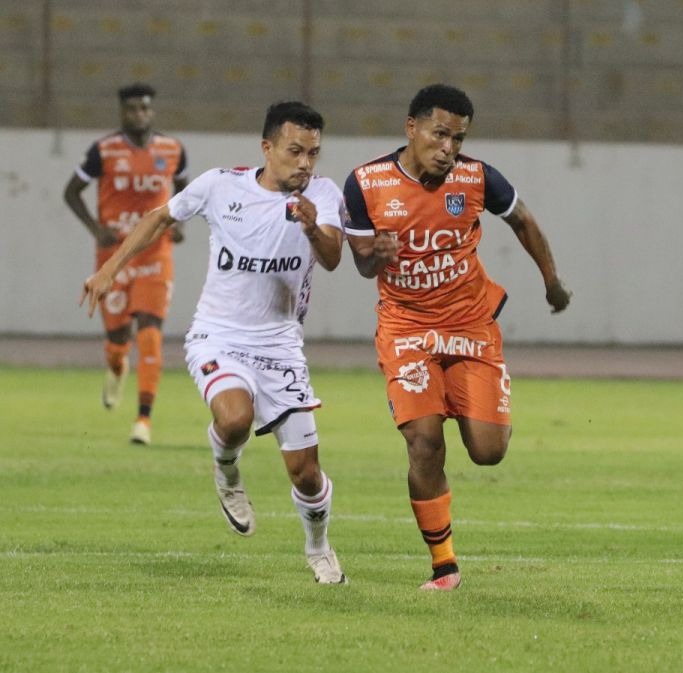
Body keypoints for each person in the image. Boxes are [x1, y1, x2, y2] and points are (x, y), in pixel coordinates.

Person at [81, 101, 349, 584]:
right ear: (267, 148)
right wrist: (109, 269)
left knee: (306, 473)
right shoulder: (220, 185)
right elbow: (159, 218)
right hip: (218, 336)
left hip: (281, 347)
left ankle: (319, 547)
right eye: (295, 151)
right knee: (234, 418)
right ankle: (227, 472)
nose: (306, 163)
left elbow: (331, 257)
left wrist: (310, 225)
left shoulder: (324, 195)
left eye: (314, 152)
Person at [342, 84, 571, 591]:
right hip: (406, 328)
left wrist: (551, 282)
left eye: (458, 138)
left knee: (488, 451)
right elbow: (360, 264)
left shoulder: (477, 178)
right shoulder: (365, 184)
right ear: (412, 128)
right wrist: (375, 255)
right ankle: (444, 566)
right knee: (424, 443)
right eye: (440, 134)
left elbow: (525, 222)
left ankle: (480, 397)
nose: (449, 148)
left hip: (471, 324)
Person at [64, 83, 188, 445]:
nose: (139, 115)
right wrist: (94, 227)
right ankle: (116, 367)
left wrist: (176, 223)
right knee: (118, 339)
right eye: (132, 109)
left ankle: (143, 420)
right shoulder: (103, 151)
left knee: (150, 331)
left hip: (154, 253)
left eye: (145, 108)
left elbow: (186, 189)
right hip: (114, 257)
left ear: (152, 111)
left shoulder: (172, 149)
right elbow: (71, 191)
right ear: (122, 112)